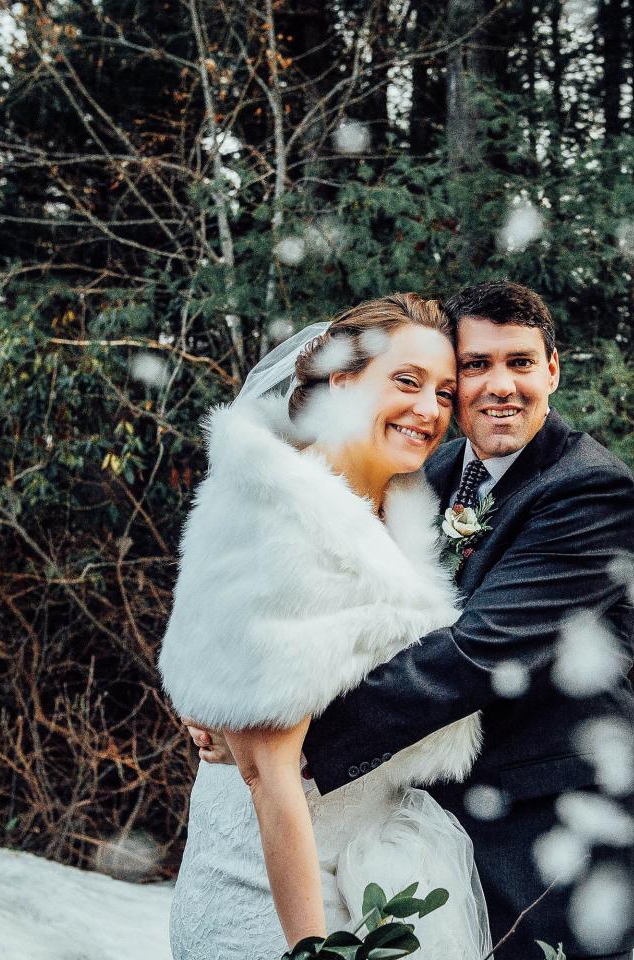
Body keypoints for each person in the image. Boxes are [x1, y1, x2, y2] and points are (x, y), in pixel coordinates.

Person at [192, 280, 634, 959]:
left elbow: (479, 653)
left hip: (543, 839)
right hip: (419, 834)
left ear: (553, 369)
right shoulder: (417, 473)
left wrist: (278, 735)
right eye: (474, 366)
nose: (499, 385)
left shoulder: (588, 489)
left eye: (520, 362)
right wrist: (226, 689)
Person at [159, 294, 491, 960]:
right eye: (406, 381)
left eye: (445, 392)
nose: (429, 409)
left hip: (373, 862)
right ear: (341, 378)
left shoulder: (403, 510)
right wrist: (309, 948)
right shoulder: (287, 518)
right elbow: (269, 780)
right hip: (270, 893)